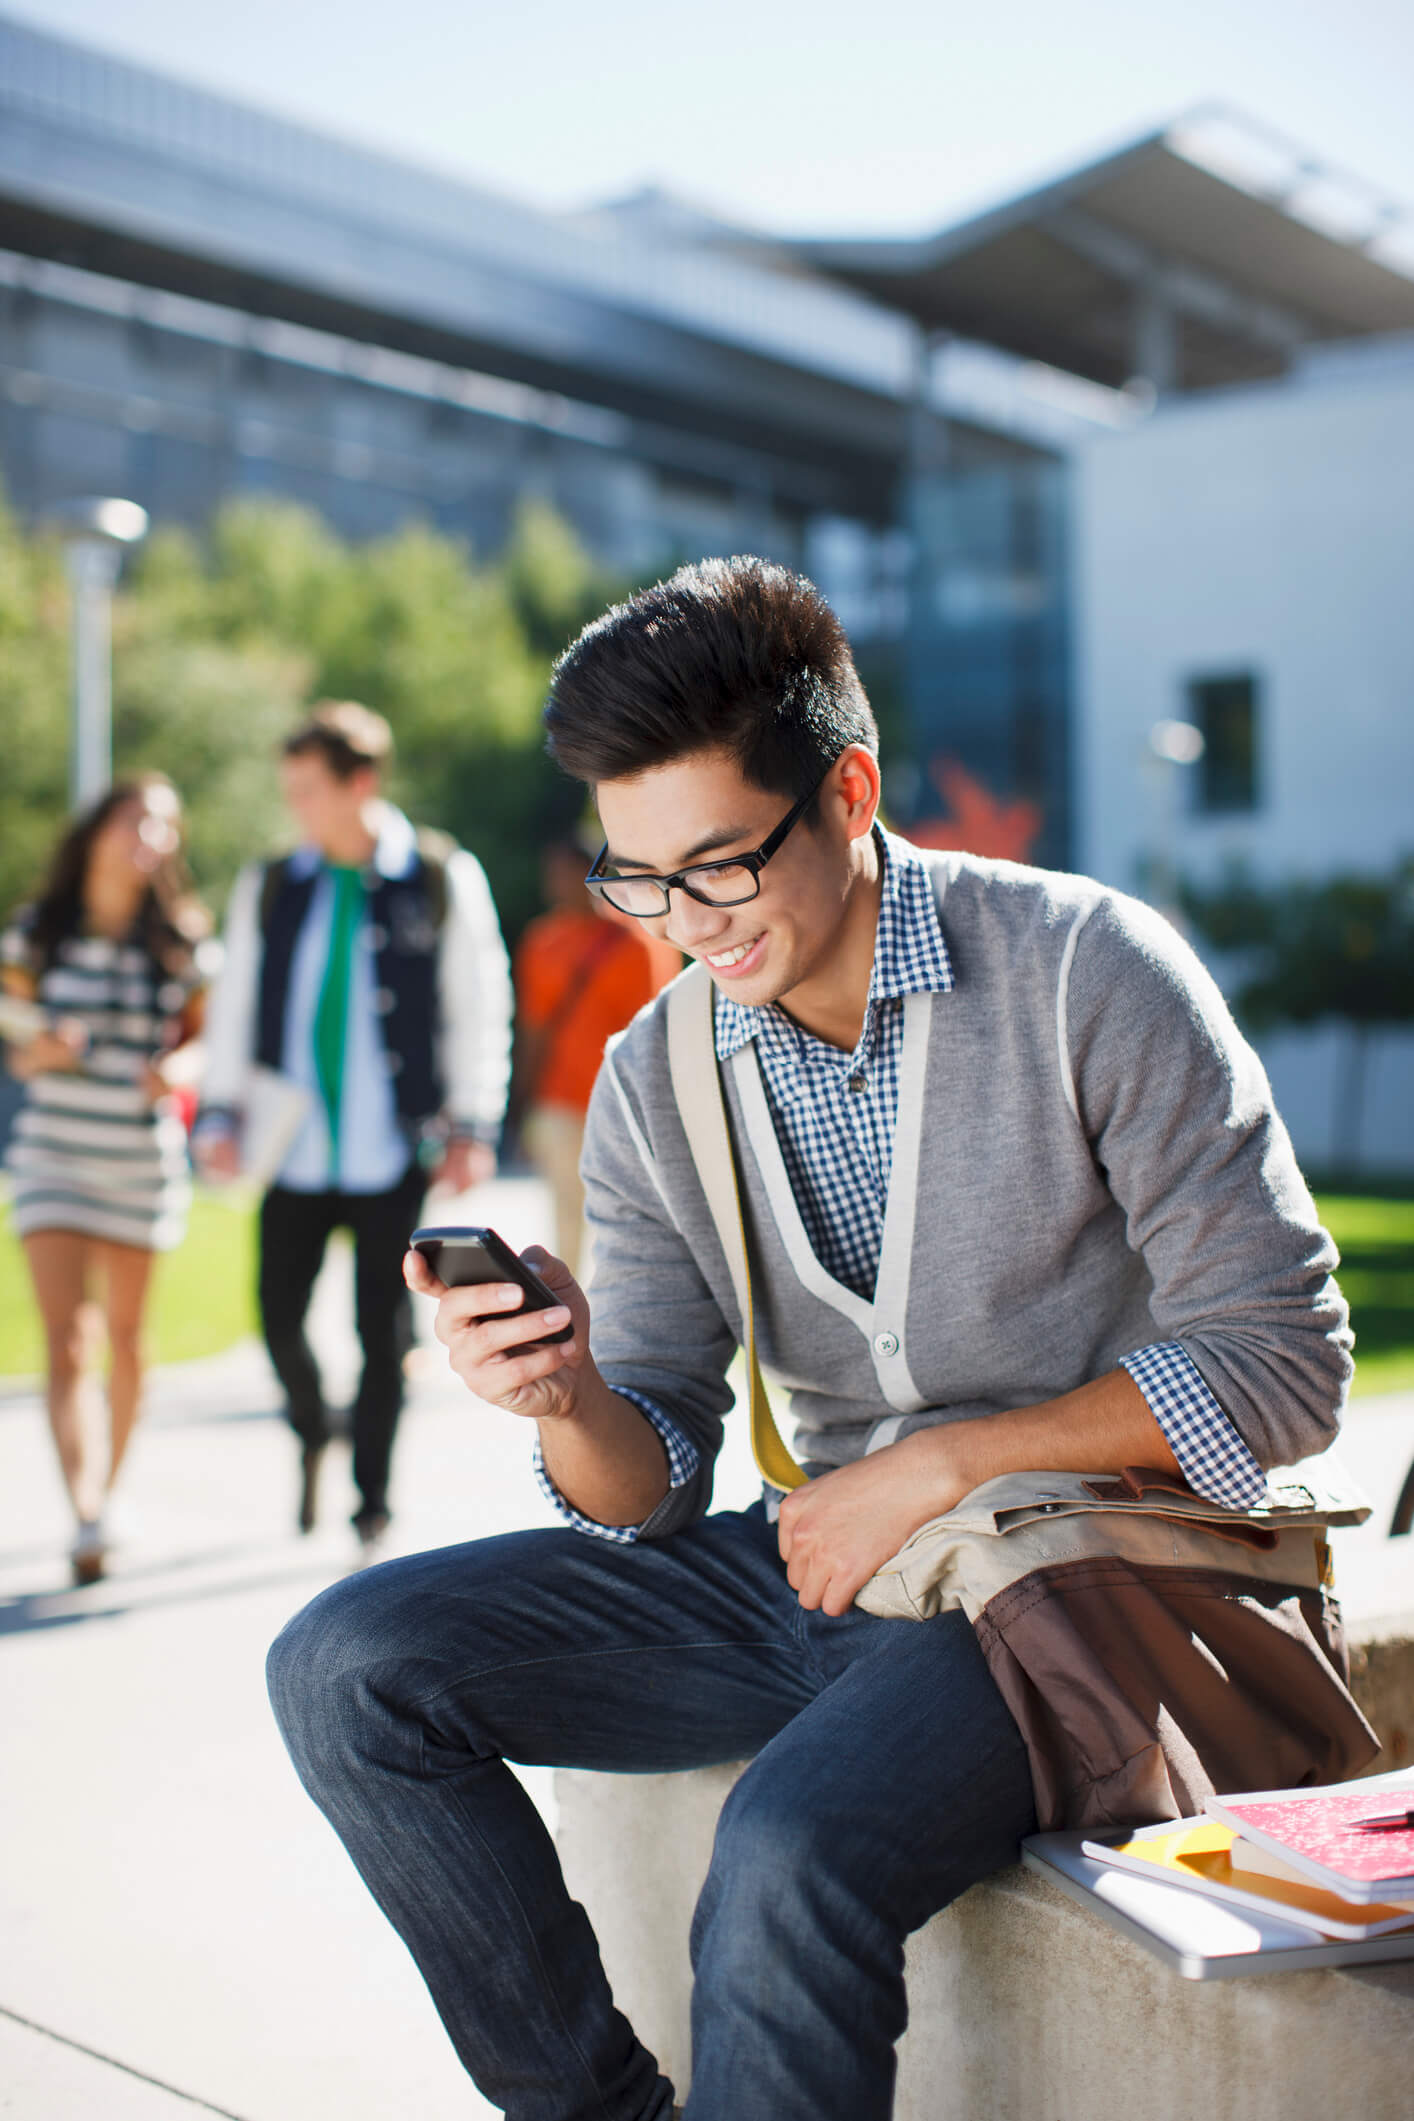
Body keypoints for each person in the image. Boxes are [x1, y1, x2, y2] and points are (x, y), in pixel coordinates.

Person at [267, 562, 1353, 2121]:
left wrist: (934, 1467)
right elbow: (649, 1472)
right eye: (634, 879)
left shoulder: (1085, 972)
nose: (680, 925)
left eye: (716, 868)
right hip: (833, 1569)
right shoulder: (657, 1076)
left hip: (1090, 1580)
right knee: (344, 1666)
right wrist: (568, 1395)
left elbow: (1283, 1362)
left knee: (782, 1853)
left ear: (846, 791)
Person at [194, 701, 510, 1550]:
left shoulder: (438, 874)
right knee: (277, 1314)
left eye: (309, 788)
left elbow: (478, 1006)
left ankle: (371, 1498)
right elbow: (233, 1007)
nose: (295, 805)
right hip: (290, 1144)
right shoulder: (272, 883)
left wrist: (473, 1122)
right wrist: (218, 1110)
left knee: (384, 1332)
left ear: (360, 782)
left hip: (390, 1148)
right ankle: (312, 1429)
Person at [1, 775, 210, 1584]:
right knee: (67, 1338)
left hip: (136, 1155)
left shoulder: (181, 940)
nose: (148, 839)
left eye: (163, 827)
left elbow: (202, 1041)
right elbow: (17, 1038)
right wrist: (37, 1051)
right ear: (96, 831)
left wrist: (176, 1073)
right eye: (134, 821)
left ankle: (113, 1492)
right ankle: (83, 1508)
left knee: (124, 1337)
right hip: (52, 1149)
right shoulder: (37, 933)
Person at [510, 836, 679, 1274]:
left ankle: (616, 1315)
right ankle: (569, 1315)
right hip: (558, 1103)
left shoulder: (639, 941)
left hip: (618, 1103)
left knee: (624, 1218)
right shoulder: (540, 943)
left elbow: (655, 1032)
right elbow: (531, 1032)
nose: (556, 884)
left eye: (566, 873)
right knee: (567, 1215)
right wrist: (520, 1103)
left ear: (592, 877)